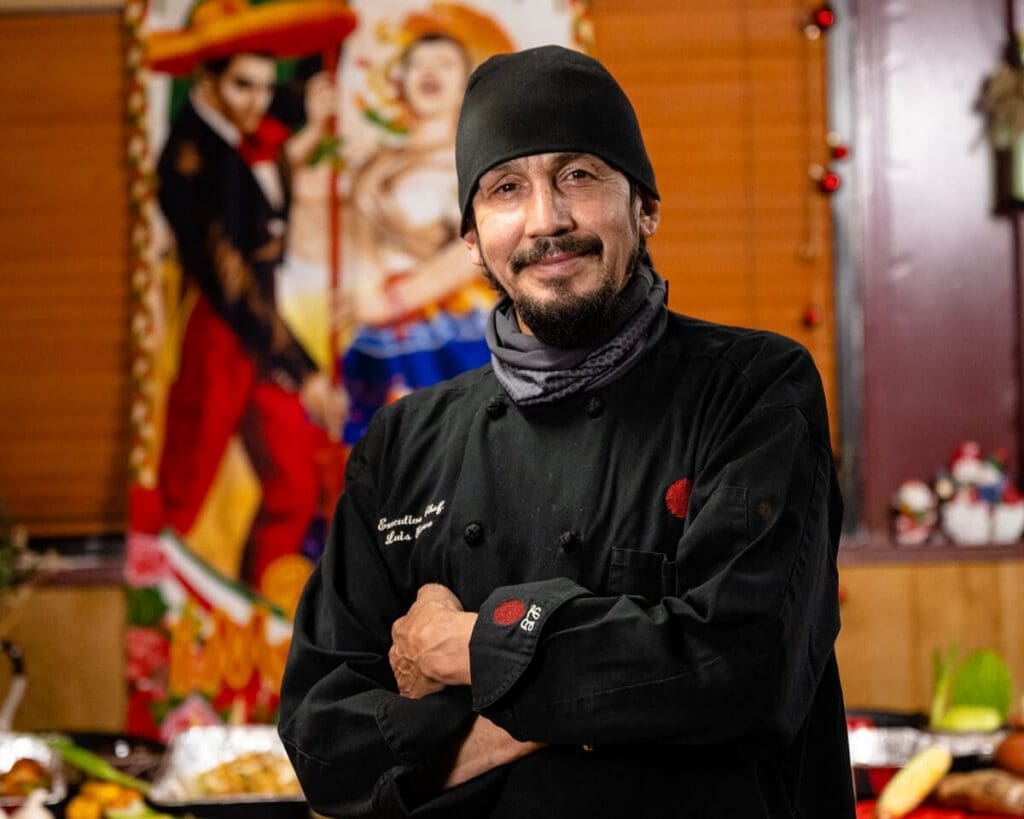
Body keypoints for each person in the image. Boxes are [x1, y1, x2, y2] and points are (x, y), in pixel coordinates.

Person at [279, 45, 855, 818]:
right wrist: (576, 704)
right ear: (473, 241)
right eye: (505, 188)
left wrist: (467, 648)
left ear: (644, 206)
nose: (547, 220)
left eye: (578, 175)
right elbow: (324, 742)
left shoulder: (752, 389)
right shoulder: (402, 443)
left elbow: (745, 670)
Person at [156, 52, 348, 593]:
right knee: (187, 487)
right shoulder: (188, 157)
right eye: (243, 85)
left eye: (266, 88)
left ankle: (268, 610)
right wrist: (304, 370)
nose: (256, 100)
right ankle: (178, 609)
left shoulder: (256, 122)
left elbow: (306, 81)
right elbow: (233, 287)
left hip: (268, 334)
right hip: (223, 332)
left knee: (295, 481)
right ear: (206, 79)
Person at [337, 29, 506, 444]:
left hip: (459, 332)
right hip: (383, 339)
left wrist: (395, 302)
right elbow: (359, 251)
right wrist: (369, 302)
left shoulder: (484, 164)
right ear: (399, 82)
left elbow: (481, 248)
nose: (430, 74)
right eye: (419, 65)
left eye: (445, 65)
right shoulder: (370, 169)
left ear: (465, 82)